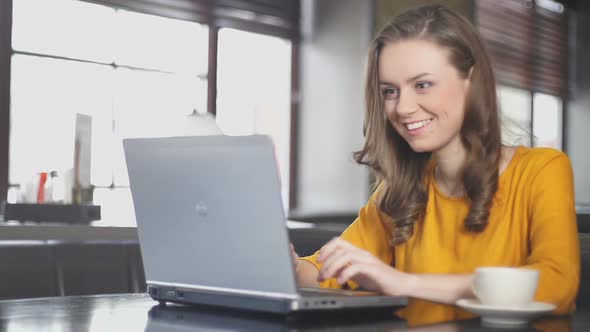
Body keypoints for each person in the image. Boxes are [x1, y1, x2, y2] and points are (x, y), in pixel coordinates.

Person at [291, 4, 580, 326]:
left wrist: (405, 283)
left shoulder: (542, 170)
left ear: (470, 80)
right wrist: (285, 265)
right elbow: (321, 273)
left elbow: (558, 285)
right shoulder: (398, 191)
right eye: (389, 91)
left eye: (423, 85)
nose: (403, 107)